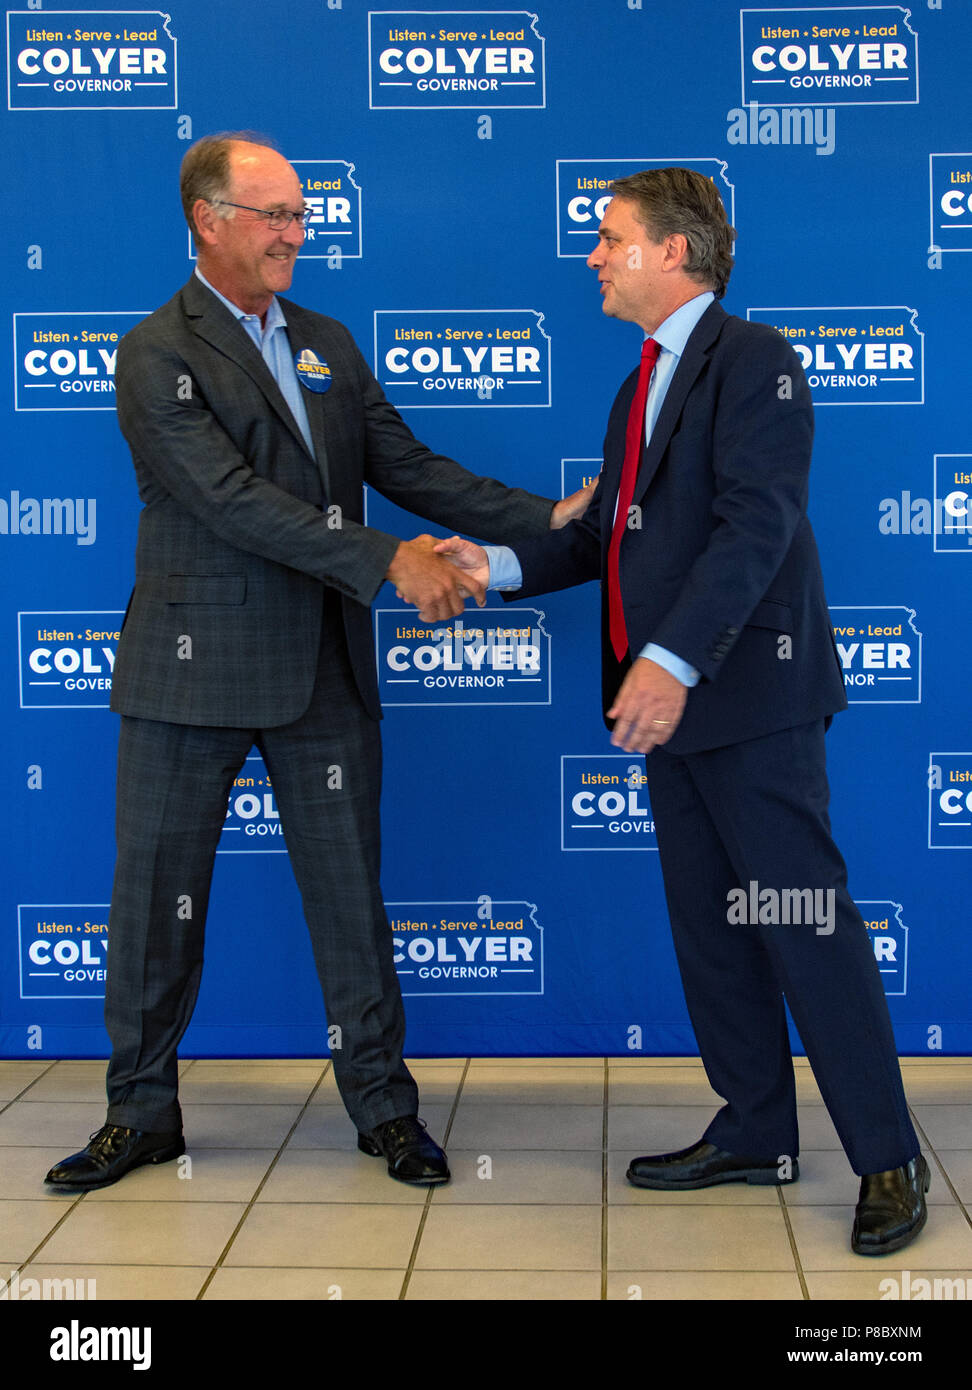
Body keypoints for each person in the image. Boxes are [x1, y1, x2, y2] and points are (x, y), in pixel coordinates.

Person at [44, 132, 588, 1193]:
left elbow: (409, 463)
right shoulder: (157, 351)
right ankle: (141, 1113)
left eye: (302, 214)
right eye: (276, 215)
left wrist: (546, 518)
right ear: (209, 221)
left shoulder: (327, 340)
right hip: (188, 672)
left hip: (323, 670)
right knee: (157, 907)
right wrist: (390, 559)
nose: (299, 233)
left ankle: (385, 1110)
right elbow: (231, 502)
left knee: (350, 901)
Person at [437, 167, 928, 1254]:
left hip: (745, 698)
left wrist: (667, 657)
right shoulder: (637, 384)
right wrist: (498, 566)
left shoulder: (758, 363)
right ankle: (756, 1128)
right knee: (713, 933)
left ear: (674, 251)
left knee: (804, 927)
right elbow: (604, 535)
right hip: (669, 709)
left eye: (610, 238)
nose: (593, 257)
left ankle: (889, 1157)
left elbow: (756, 527)